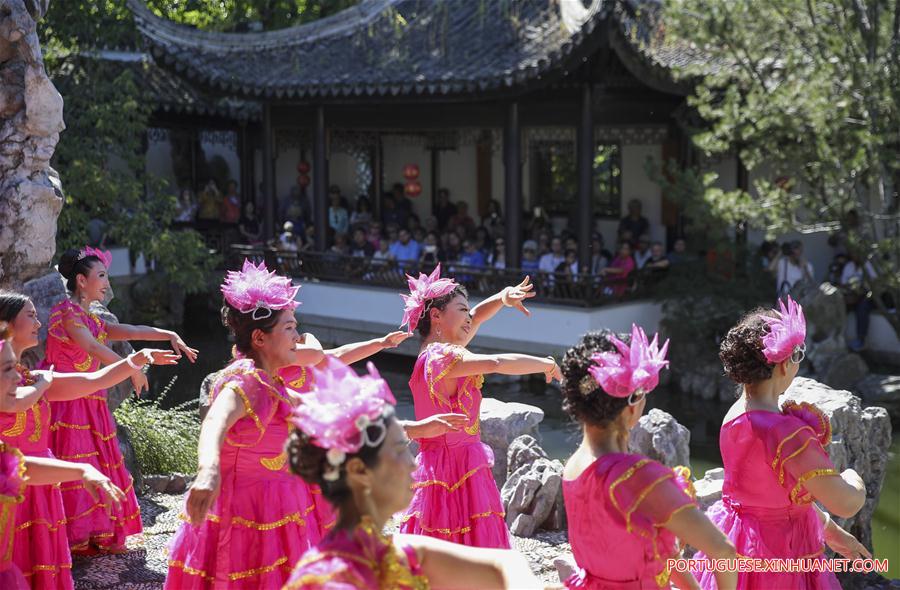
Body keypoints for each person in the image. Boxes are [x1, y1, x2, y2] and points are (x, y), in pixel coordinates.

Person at [283, 358, 544, 589]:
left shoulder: (397, 551)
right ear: (359, 470)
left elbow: (505, 565)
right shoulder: (325, 579)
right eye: (399, 451)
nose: (412, 464)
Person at [166, 260, 330, 588]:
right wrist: (208, 471)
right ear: (259, 337)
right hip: (244, 513)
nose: (298, 337)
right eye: (289, 328)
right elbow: (215, 421)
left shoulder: (271, 382)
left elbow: (322, 417)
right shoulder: (246, 380)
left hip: (273, 507)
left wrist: (409, 428)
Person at [693, 297, 870, 589]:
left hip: (737, 540)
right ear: (784, 364)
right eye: (798, 354)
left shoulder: (735, 415)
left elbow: (772, 496)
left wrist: (832, 531)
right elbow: (846, 502)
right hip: (782, 552)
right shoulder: (788, 433)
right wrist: (855, 479)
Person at [0, 310, 170, 590]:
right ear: (6, 323)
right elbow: (18, 405)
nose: (39, 322)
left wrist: (136, 360)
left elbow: (94, 381)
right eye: (30, 315)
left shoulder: (33, 378)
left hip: (41, 483)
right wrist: (42, 384)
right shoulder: (33, 383)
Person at [43, 248, 197, 554]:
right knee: (76, 461)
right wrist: (132, 368)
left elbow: (131, 330)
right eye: (100, 276)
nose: (106, 282)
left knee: (98, 461)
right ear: (81, 280)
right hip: (66, 399)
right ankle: (71, 538)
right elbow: (92, 347)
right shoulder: (66, 313)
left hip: (91, 399)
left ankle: (94, 534)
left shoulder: (89, 316)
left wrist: (168, 334)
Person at [559, 327, 737, 589]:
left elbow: (653, 550)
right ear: (634, 400)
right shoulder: (639, 477)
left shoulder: (573, 465)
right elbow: (723, 550)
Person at [397, 266, 562, 547]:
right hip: (456, 467)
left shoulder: (434, 354)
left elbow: (478, 317)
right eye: (462, 310)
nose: (469, 318)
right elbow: (496, 363)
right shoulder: (443, 356)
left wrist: (502, 298)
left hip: (440, 464)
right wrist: (545, 363)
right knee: (464, 545)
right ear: (436, 316)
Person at [840, 254, 877, 352]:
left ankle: (861, 340)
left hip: (867, 297)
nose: (856, 256)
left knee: (862, 309)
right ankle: (838, 337)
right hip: (851, 295)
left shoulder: (868, 265)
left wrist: (861, 292)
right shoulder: (849, 266)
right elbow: (843, 283)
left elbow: (874, 284)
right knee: (840, 307)